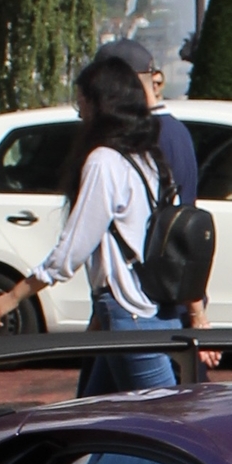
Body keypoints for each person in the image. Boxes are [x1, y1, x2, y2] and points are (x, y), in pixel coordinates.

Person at [0, 55, 177, 396]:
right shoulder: (148, 158)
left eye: (82, 101)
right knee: (98, 419)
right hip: (149, 308)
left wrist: (13, 297)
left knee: (168, 425)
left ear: (101, 105)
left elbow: (71, 250)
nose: (78, 111)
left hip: (128, 314)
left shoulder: (104, 161)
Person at [92, 38, 212, 343]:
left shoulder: (145, 135)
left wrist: (195, 310)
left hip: (150, 300)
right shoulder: (175, 130)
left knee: (163, 389)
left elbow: (177, 224)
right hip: (159, 294)